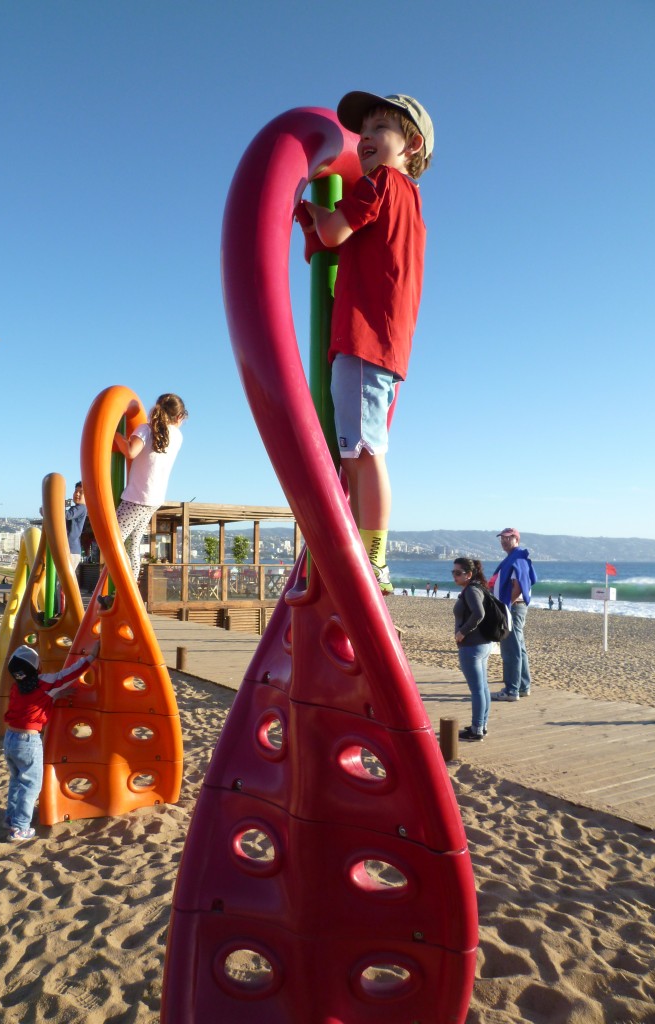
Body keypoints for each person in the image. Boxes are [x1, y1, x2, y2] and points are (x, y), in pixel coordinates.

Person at [296, 91, 434, 595]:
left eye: (380, 129)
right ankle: (364, 547)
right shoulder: (409, 204)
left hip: (363, 338)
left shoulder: (384, 181)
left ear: (411, 144)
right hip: (383, 342)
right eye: (364, 131)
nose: (366, 139)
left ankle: (372, 556)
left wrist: (308, 207)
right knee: (356, 451)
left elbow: (334, 234)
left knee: (363, 451)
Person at [3, 640, 99, 841]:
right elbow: (69, 674)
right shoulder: (44, 683)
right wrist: (91, 657)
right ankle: (20, 828)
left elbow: (30, 704)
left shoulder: (17, 687)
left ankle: (12, 818)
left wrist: (53, 697)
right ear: (36, 667)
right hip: (28, 741)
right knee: (31, 785)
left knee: (17, 780)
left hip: (10, 738)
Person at [113, 394, 187, 581]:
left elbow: (131, 451)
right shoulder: (177, 436)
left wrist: (117, 436)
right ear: (179, 417)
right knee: (132, 544)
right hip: (154, 498)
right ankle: (130, 590)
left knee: (114, 542)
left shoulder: (146, 429)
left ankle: (124, 590)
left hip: (136, 497)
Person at [490, 528, 537, 702]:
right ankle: (523, 686)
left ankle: (511, 690)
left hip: (513, 607)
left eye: (508, 538)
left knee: (511, 649)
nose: (504, 541)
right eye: (502, 538)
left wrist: (505, 606)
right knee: (519, 648)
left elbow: (518, 586)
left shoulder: (518, 558)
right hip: (514, 607)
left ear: (516, 539)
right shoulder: (514, 558)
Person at [452, 558, 492, 741]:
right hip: (482, 645)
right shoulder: (478, 587)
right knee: (482, 688)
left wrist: (462, 632)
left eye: (458, 573)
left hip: (472, 647)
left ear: (468, 574)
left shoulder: (471, 590)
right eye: (453, 572)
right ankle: (481, 725)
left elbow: (479, 614)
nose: (454, 576)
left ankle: (477, 729)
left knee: (477, 690)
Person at [65, 481, 88, 571]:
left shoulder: (81, 507)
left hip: (71, 550)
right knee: (63, 579)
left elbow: (67, 515)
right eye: (76, 491)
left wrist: (52, 507)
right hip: (71, 550)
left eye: (81, 492)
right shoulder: (76, 508)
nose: (77, 494)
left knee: (65, 579)